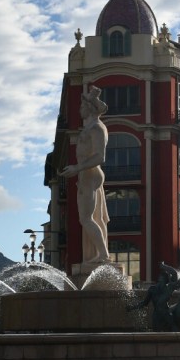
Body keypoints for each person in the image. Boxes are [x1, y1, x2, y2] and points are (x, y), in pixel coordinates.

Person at [59, 85, 111, 268]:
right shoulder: (90, 128)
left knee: (86, 218)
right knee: (95, 218)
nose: (80, 109)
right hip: (86, 175)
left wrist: (77, 168)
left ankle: (103, 255)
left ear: (90, 108)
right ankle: (100, 254)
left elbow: (100, 157)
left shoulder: (96, 128)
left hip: (90, 175)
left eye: (82, 106)